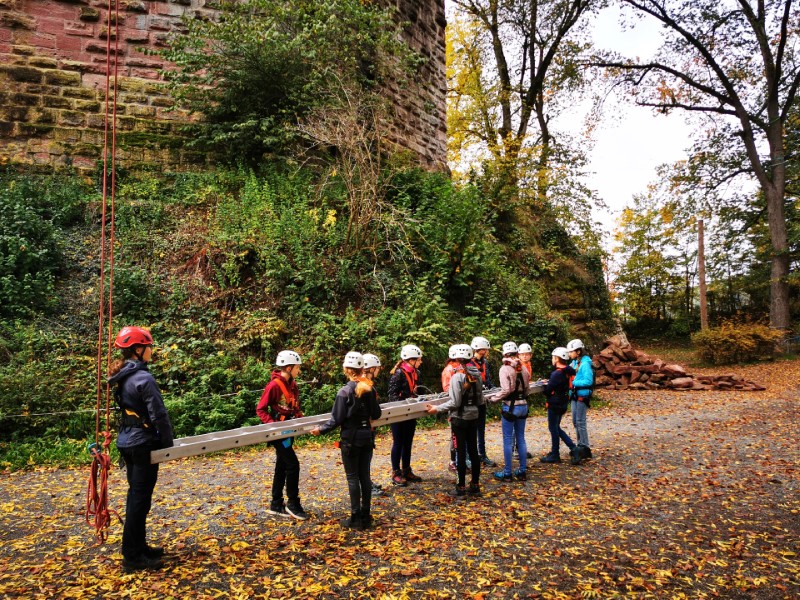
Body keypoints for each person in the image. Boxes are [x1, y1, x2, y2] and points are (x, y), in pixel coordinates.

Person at [108, 326, 174, 572]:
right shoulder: (143, 378)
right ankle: (133, 556)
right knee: (139, 500)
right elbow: (159, 414)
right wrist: (168, 443)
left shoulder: (123, 375)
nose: (151, 350)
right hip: (142, 443)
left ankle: (138, 547)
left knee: (137, 498)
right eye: (148, 347)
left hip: (127, 442)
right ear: (138, 349)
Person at [312, 352, 382, 529]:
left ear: (346, 369)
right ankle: (366, 516)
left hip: (351, 439)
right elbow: (377, 414)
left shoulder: (345, 392)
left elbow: (336, 419)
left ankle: (355, 517)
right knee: (365, 476)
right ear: (361, 369)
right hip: (367, 437)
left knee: (352, 478)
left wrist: (320, 430)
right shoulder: (370, 389)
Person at [256, 350, 309, 520]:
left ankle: (276, 503)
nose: (298, 371)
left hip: (289, 429)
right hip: (279, 432)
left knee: (282, 464)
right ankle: (293, 503)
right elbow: (261, 409)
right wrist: (273, 426)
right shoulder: (273, 386)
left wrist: (301, 419)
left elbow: (294, 406)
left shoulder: (292, 384)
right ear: (288, 367)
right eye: (297, 368)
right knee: (293, 465)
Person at [426, 344, 483, 496]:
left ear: (457, 359)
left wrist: (436, 408)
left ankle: (461, 485)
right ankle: (475, 484)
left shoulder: (457, 377)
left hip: (459, 418)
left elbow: (454, 402)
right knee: (473, 450)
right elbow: (480, 399)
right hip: (474, 416)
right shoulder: (477, 375)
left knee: (460, 452)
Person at [492, 342, 531, 481]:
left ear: (504, 354)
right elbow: (527, 389)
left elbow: (506, 390)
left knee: (508, 440)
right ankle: (522, 470)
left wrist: (493, 399)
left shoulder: (505, 369)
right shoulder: (523, 368)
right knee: (520, 438)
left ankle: (507, 472)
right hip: (523, 406)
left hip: (510, 406)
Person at [387, 344, 424, 486]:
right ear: (410, 360)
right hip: (398, 414)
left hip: (411, 412)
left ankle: (406, 470)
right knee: (398, 442)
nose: (420, 362)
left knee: (408, 442)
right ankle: (395, 472)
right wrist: (406, 401)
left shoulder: (416, 373)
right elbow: (392, 396)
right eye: (419, 360)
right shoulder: (398, 374)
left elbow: (419, 391)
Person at [540, 347, 579, 464]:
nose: (552, 359)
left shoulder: (556, 374)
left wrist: (544, 384)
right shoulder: (567, 371)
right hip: (563, 402)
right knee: (556, 427)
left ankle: (558, 453)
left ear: (557, 358)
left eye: (553, 357)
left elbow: (547, 390)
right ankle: (567, 449)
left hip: (555, 404)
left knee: (553, 428)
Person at [468, 336, 497, 467]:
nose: (487, 351)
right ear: (480, 349)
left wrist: (494, 390)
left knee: (481, 429)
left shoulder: (484, 363)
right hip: (473, 401)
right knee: (472, 430)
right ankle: (473, 455)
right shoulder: (469, 363)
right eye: (485, 349)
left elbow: (488, 380)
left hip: (482, 400)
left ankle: (482, 455)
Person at [362, 353, 385, 497]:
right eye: (377, 368)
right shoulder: (364, 385)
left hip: (369, 426)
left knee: (367, 458)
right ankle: (365, 486)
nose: (378, 370)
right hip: (365, 427)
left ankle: (367, 482)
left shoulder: (368, 384)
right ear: (371, 368)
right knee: (364, 458)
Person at [567, 338, 594, 464]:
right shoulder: (574, 363)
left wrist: (574, 383)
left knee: (580, 421)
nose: (569, 353)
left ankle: (585, 446)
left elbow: (588, 381)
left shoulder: (586, 364)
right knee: (574, 420)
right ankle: (580, 444)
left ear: (578, 351)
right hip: (574, 395)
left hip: (582, 395)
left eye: (571, 351)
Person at [441, 345, 467, 473]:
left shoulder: (464, 368)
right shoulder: (449, 369)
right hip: (455, 407)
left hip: (465, 406)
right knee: (454, 436)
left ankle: (463, 460)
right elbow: (446, 389)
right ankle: (453, 461)